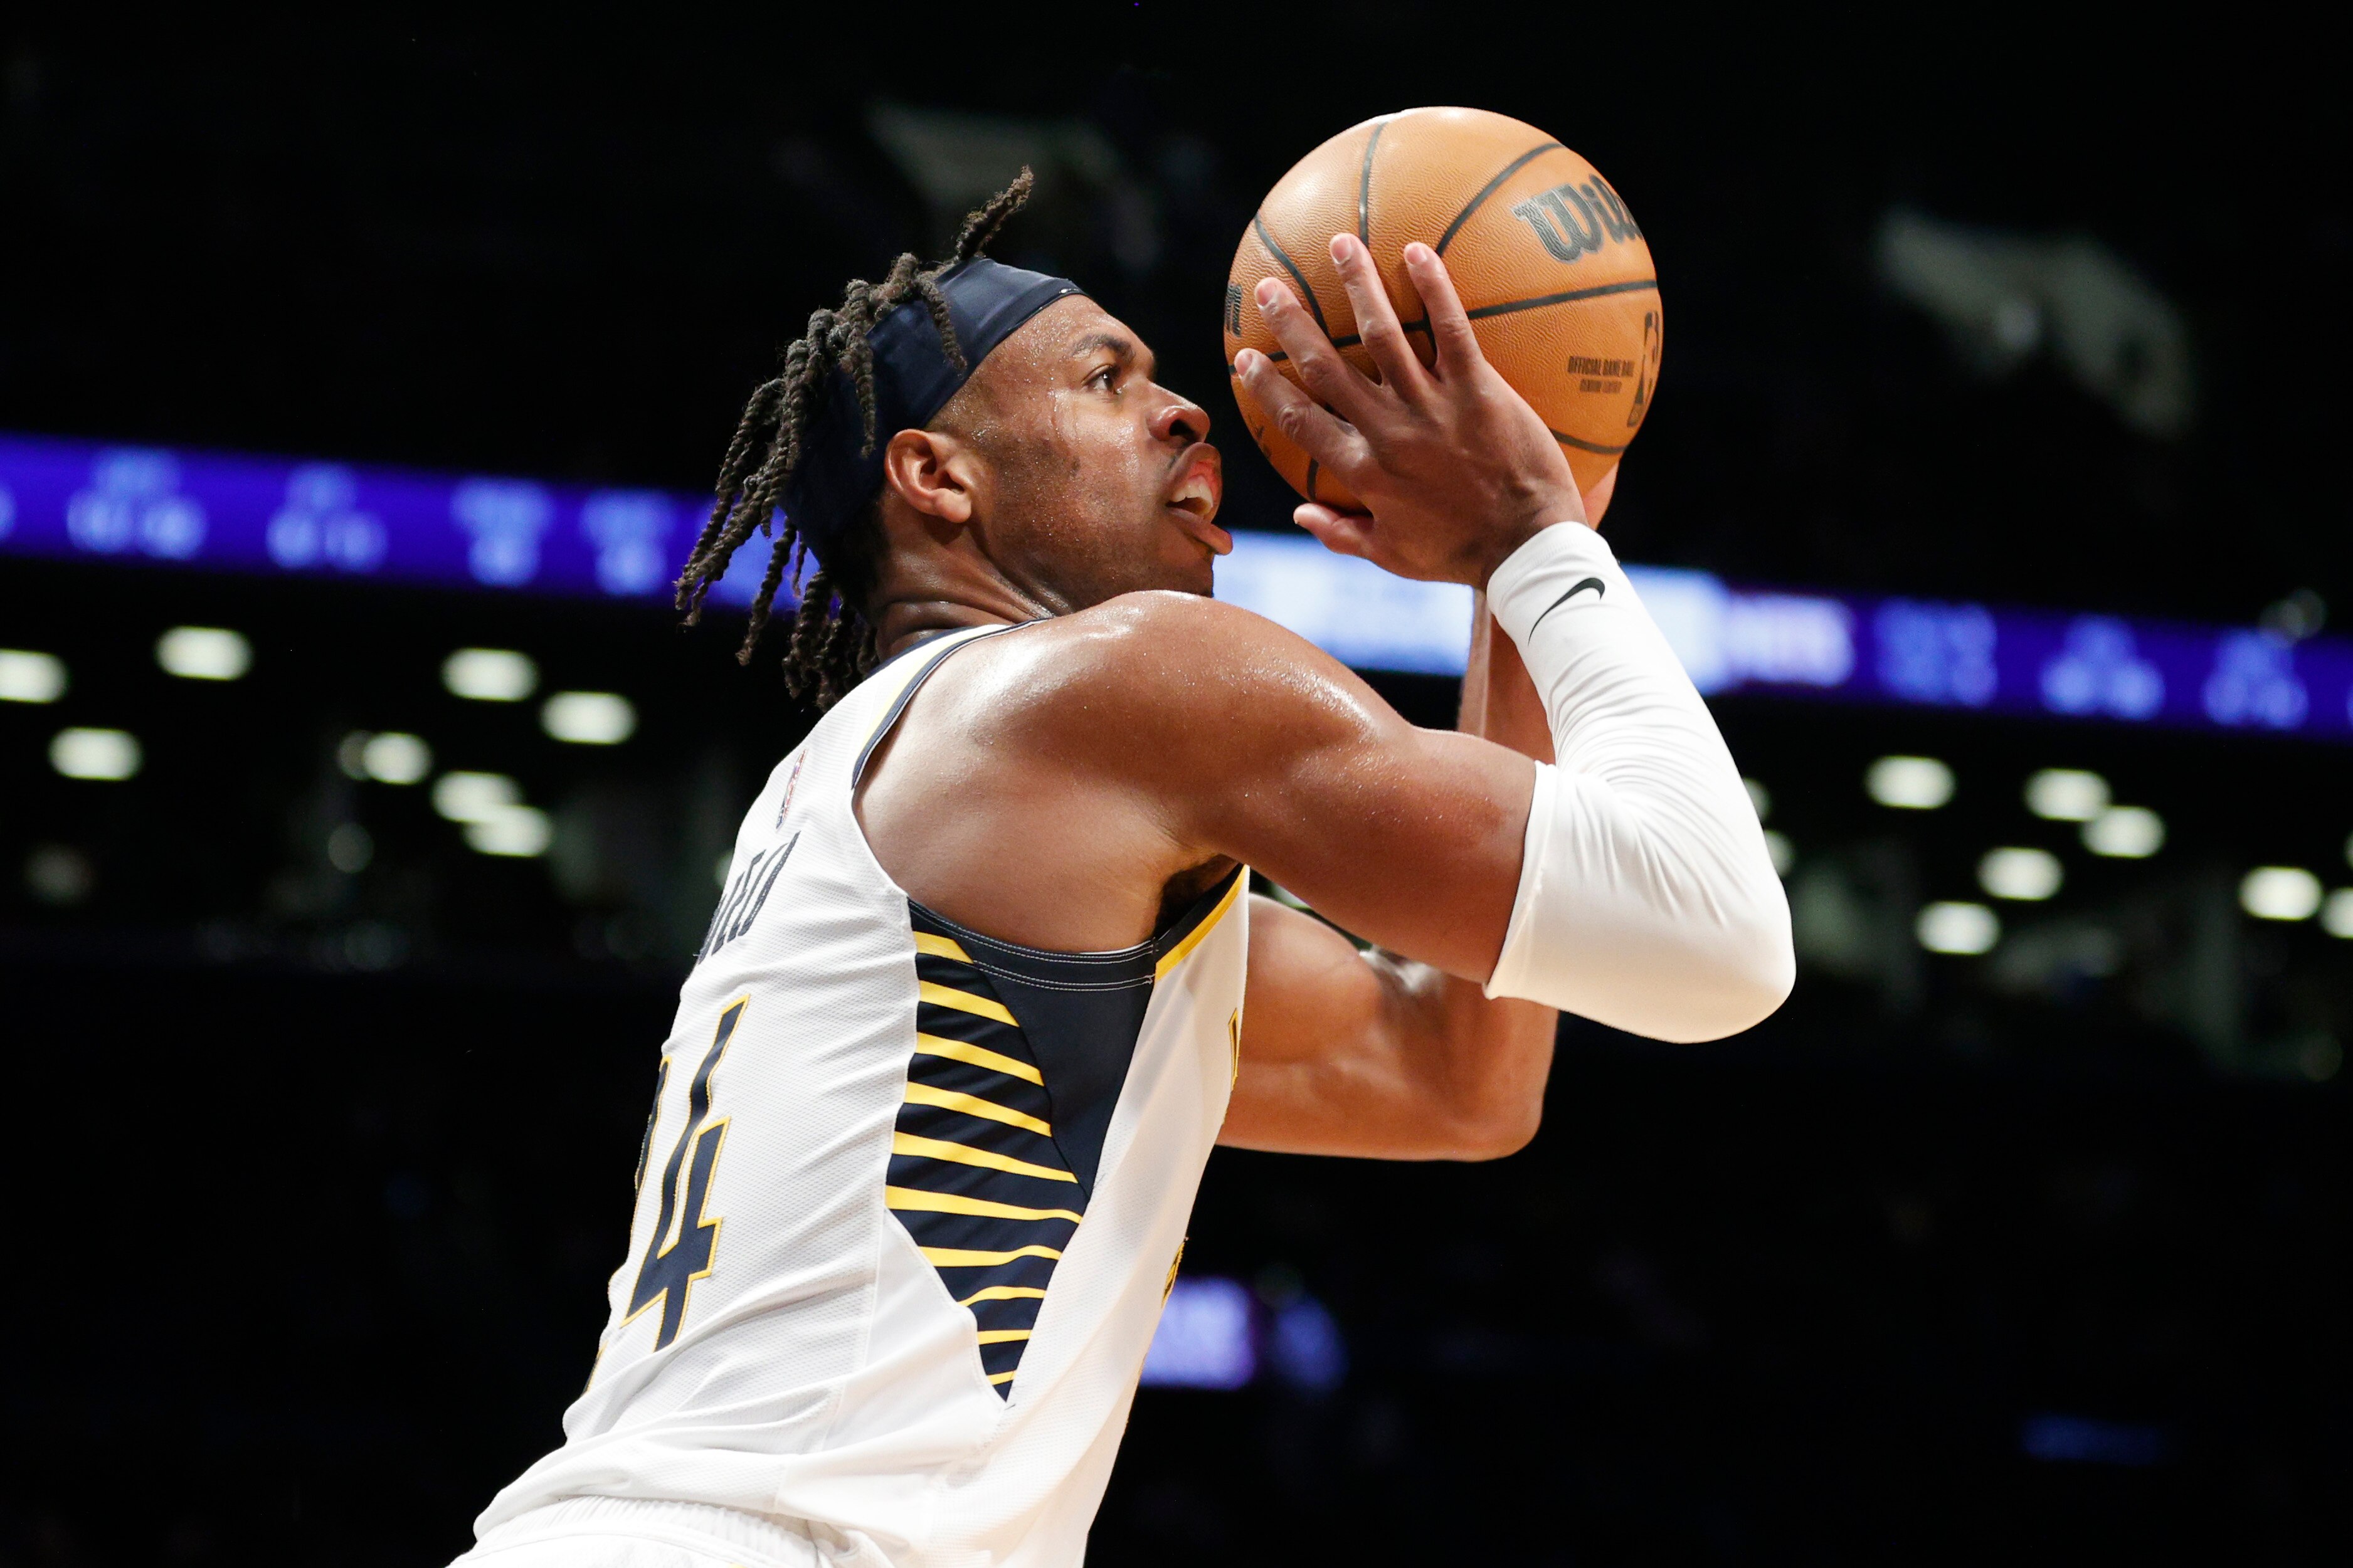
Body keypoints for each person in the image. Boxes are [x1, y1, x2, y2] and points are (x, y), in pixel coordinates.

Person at [453, 175, 1791, 1568]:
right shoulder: (1106, 683)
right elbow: (1720, 943)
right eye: (1106, 378)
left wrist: (1504, 584)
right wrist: (1536, 535)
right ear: (938, 477)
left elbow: (1457, 1077)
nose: (1187, 409)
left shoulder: (920, 807)